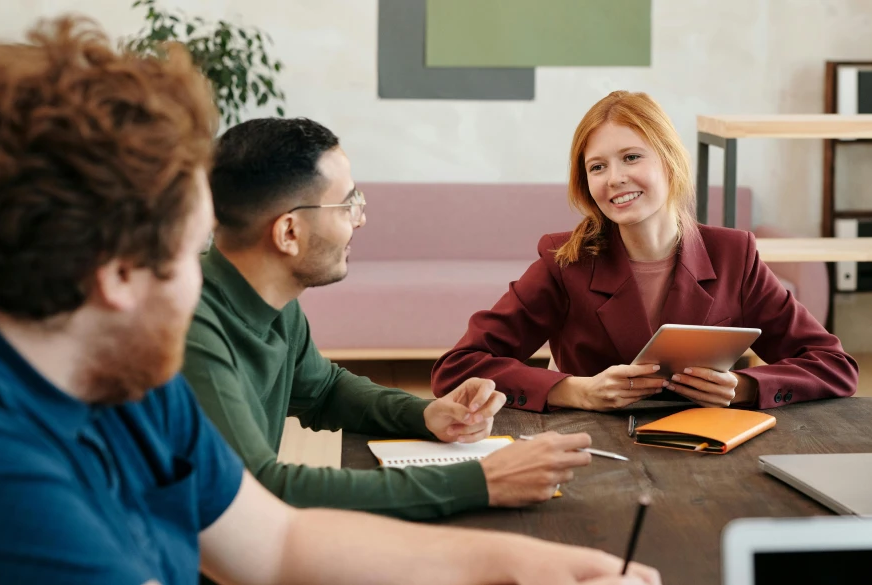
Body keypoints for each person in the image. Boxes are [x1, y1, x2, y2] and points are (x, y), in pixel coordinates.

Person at [0, 16, 660, 585]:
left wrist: (523, 560)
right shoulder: (19, 472)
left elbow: (277, 543)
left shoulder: (135, 383)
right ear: (117, 277)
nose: (204, 276)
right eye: (188, 253)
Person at [183, 116, 591, 519]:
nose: (360, 219)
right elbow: (256, 491)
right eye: (347, 205)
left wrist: (424, 414)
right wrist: (481, 480)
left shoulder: (273, 301)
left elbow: (323, 391)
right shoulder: (189, 329)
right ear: (288, 233)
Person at [432, 90, 858, 412]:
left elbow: (834, 365)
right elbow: (457, 367)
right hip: (594, 448)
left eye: (631, 157)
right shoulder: (563, 261)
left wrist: (746, 386)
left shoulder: (734, 255)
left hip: (709, 451)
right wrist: (575, 390)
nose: (614, 178)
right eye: (597, 167)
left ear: (670, 162)